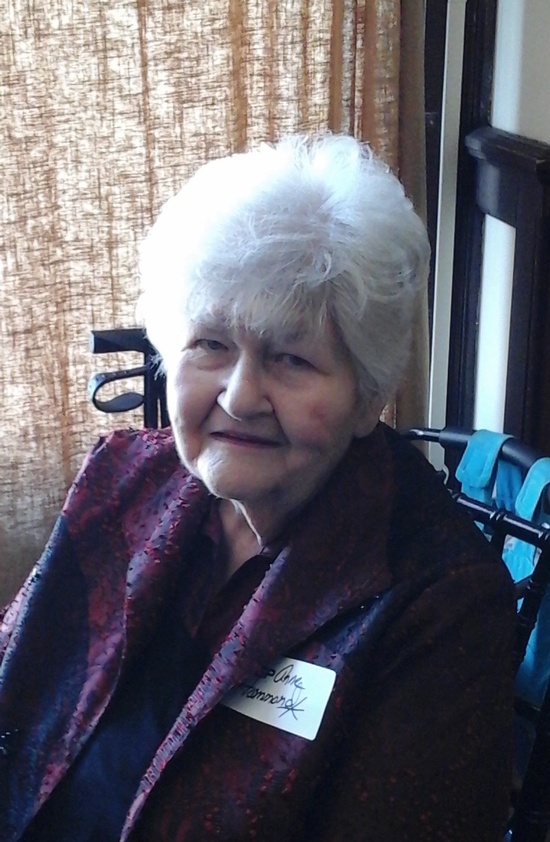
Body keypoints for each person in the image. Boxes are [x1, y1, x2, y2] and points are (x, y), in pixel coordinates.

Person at [0, 133, 514, 841]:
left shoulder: (439, 603)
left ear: (368, 396)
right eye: (210, 344)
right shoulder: (122, 478)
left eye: (292, 358)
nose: (240, 397)